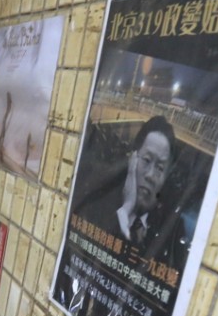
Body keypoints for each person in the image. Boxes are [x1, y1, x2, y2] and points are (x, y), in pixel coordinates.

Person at [75, 115, 188, 268]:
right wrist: (125, 210)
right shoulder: (98, 202)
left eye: (160, 168)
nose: (150, 175)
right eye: (146, 160)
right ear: (132, 159)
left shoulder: (171, 230)